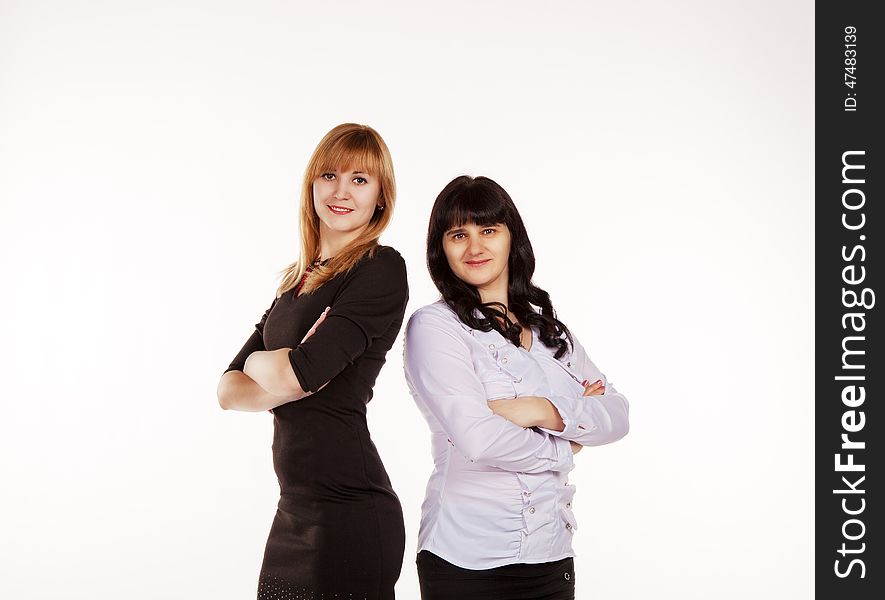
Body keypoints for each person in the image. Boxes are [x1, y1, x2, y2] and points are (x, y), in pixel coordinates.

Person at [403, 175, 629, 600]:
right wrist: (569, 442)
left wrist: (542, 409)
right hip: (467, 558)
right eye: (458, 234)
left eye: (488, 230)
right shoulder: (435, 327)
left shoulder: (549, 331)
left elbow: (617, 415)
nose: (475, 247)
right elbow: (480, 439)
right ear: (441, 247)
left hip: (551, 554)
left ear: (512, 238)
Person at [217, 123, 408, 600]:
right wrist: (279, 364)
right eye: (329, 175)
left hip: (351, 512)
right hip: (294, 511)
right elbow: (227, 391)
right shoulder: (294, 283)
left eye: (360, 180)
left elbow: (299, 374)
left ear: (381, 197)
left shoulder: (380, 269)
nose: (342, 192)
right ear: (312, 185)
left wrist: (276, 366)